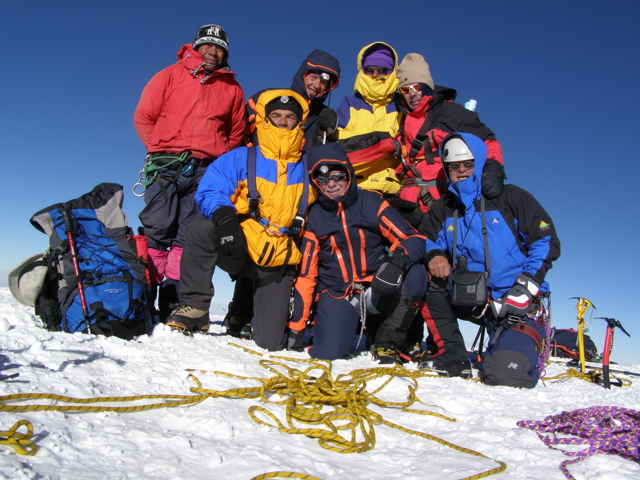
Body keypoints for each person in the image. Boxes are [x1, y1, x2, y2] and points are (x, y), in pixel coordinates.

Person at [166, 90, 316, 352]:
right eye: (277, 115)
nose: (282, 121)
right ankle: (195, 307)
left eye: (290, 116)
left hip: (279, 260)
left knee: (270, 343)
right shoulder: (241, 157)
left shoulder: (309, 166)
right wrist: (226, 221)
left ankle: (242, 313)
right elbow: (211, 190)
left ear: (299, 121)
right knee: (203, 228)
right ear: (264, 119)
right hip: (239, 245)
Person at [419, 132, 560, 386]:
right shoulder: (444, 208)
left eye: (468, 164)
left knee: (505, 373)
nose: (461, 171)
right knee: (424, 277)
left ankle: (526, 340)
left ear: (480, 163)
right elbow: (427, 238)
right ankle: (453, 353)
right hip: (473, 298)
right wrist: (435, 254)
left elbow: (546, 241)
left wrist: (526, 287)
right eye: (454, 166)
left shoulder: (511, 197)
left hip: (517, 302)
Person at [393, 53, 504, 362]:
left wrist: (493, 169)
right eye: (405, 89)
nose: (412, 93)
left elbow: (486, 141)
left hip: (440, 206)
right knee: (410, 271)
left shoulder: (450, 113)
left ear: (428, 86)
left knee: (440, 273)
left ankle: (447, 345)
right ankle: (410, 337)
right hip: (407, 205)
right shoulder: (400, 119)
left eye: (417, 87)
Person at [133, 24, 247, 321]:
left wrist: (219, 163)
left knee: (187, 235)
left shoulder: (232, 87)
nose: (212, 52)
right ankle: (146, 294)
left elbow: (236, 134)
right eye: (207, 46)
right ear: (195, 47)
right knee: (157, 228)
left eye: (219, 48)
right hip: (165, 165)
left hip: (205, 170)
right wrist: (159, 149)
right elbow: (144, 117)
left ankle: (173, 298)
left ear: (225, 53)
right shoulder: (169, 75)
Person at [225, 50, 341, 338]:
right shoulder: (269, 98)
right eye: (313, 76)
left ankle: (277, 314)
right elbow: (240, 131)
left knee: (284, 251)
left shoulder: (322, 119)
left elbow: (315, 158)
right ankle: (239, 310)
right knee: (253, 245)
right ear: (303, 73)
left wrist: (330, 133)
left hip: (294, 193)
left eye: (325, 82)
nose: (317, 85)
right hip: (258, 184)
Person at [290, 143, 428, 363]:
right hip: (337, 293)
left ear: (348, 173)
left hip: (379, 287)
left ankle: (386, 342)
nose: (332, 184)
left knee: (416, 275)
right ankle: (342, 327)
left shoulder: (371, 202)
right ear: (315, 182)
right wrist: (297, 325)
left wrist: (396, 262)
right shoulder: (313, 216)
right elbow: (307, 275)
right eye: (323, 179)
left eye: (337, 175)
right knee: (329, 354)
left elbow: (413, 238)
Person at [335, 42, 402, 184]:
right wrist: (384, 143)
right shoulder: (350, 102)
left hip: (392, 187)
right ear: (362, 69)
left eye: (383, 69)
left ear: (393, 71)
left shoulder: (401, 104)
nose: (375, 74)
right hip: (353, 186)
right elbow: (338, 143)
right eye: (369, 69)